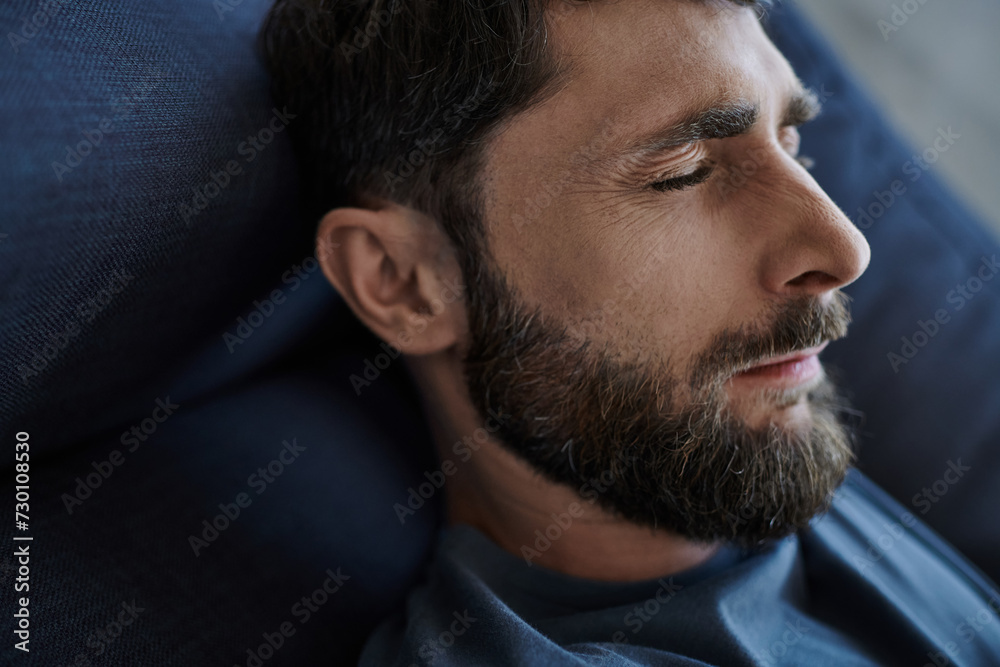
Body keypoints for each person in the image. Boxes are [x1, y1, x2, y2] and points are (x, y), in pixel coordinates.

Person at [262, 0, 1000, 663]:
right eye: (682, 169)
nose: (845, 251)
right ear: (405, 280)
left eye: (793, 143)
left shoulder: (750, 421)